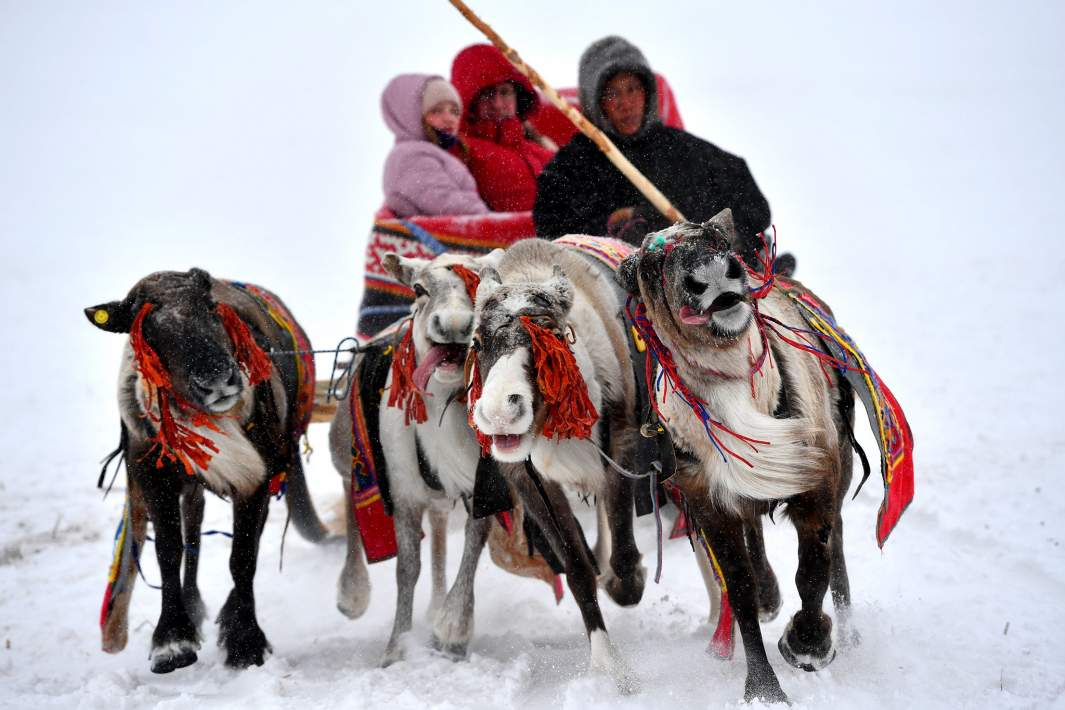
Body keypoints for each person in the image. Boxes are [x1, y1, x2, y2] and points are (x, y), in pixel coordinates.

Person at [533, 36, 776, 268]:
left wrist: (714, 233)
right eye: (612, 93)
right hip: (618, 286)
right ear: (595, 101)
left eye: (632, 89)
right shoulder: (575, 164)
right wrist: (611, 229)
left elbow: (752, 206)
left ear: (647, 92)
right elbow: (552, 226)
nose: (625, 103)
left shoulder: (683, 150)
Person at [450, 44, 554, 212]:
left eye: (505, 92)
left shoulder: (545, 155)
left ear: (517, 97)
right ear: (470, 99)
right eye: (488, 94)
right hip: (499, 238)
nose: (498, 104)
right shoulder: (461, 151)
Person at [381, 73, 488, 217]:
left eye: (454, 111)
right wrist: (492, 222)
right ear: (412, 115)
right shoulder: (412, 156)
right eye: (437, 111)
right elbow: (445, 202)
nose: (449, 119)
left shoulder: (429, 151)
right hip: (442, 237)